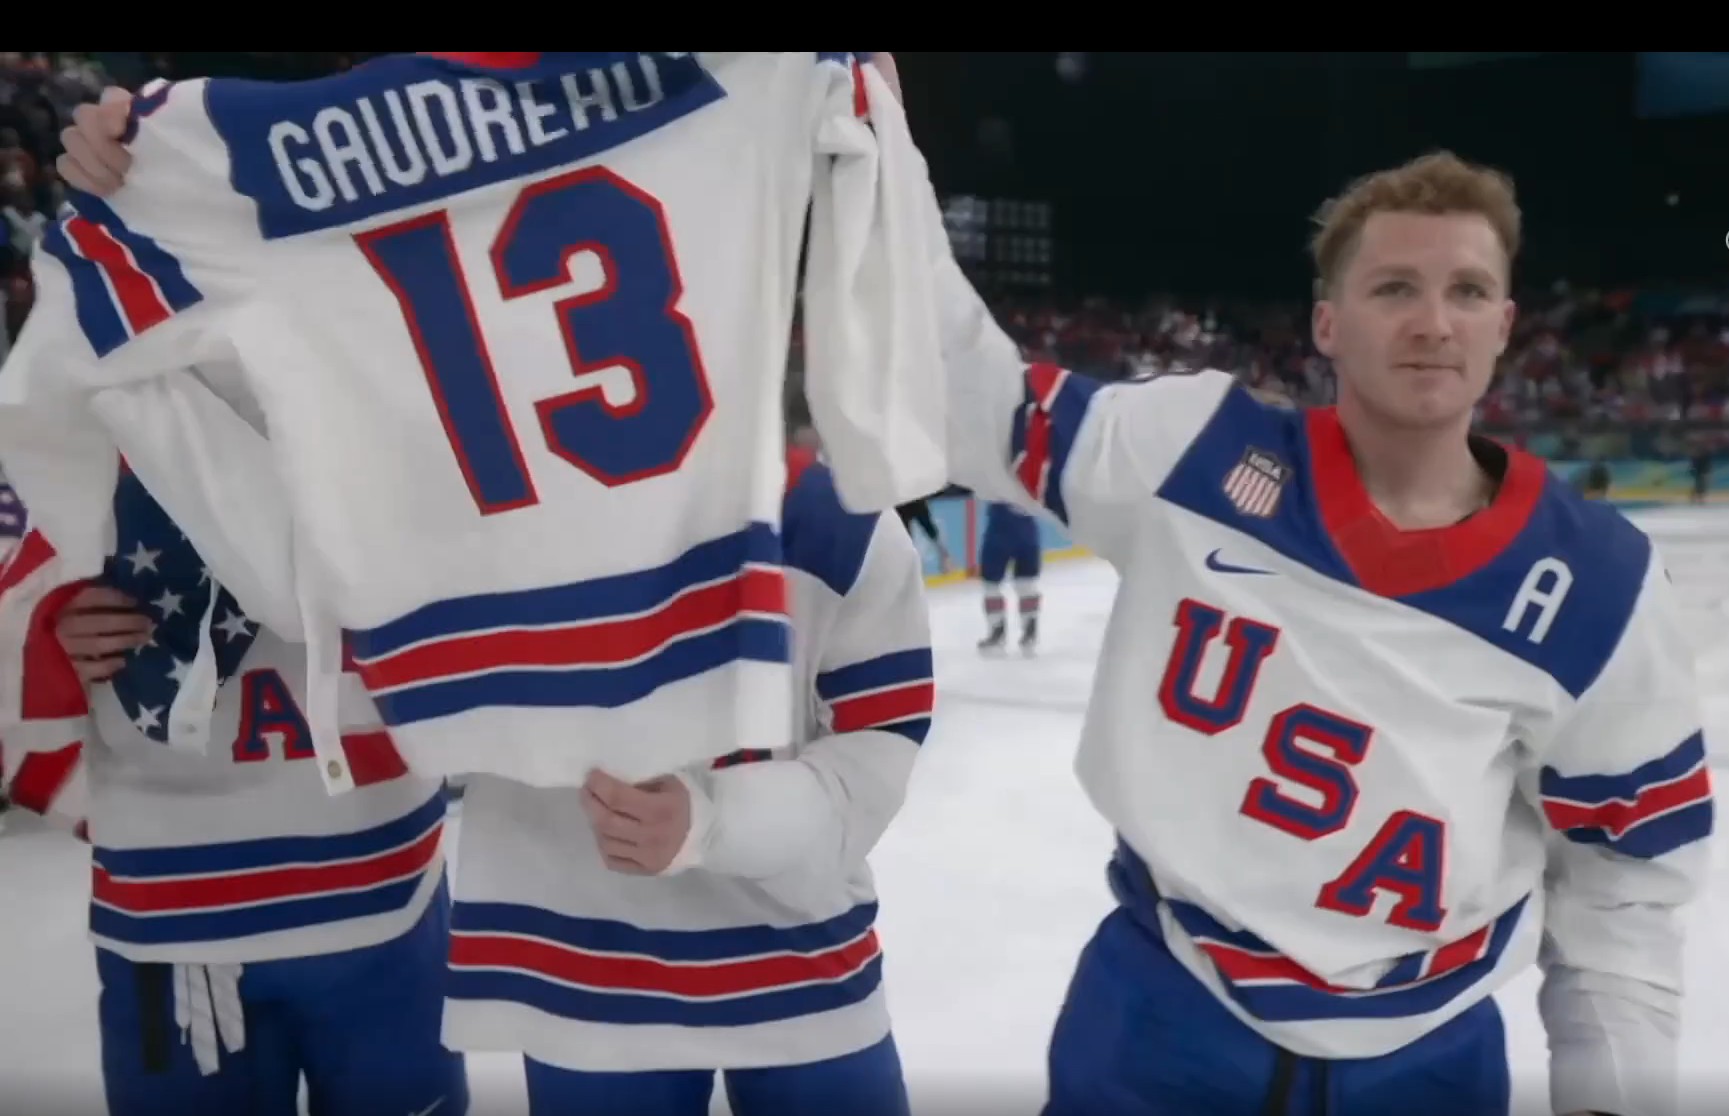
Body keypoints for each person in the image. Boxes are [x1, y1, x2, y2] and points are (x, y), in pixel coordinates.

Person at [874, 55, 1708, 1116]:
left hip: (1428, 1054)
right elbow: (968, 397)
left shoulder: (1600, 588)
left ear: (1504, 324)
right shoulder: (1189, 450)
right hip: (1163, 1012)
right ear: (1326, 323)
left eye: (1466, 290)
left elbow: (1622, 892)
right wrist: (879, 155)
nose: (1432, 321)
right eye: (1393, 288)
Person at [442, 446, 933, 1116]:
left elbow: (874, 753)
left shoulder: (834, 516)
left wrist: (717, 821)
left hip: (790, 960)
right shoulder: (481, 515)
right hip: (584, 968)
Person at [1, 458, 466, 1116]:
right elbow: (24, 566)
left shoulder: (378, 406)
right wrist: (39, 631)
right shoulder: (77, 418)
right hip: (173, 900)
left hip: (383, 877)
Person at [975, 500, 1041, 653]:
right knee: (1025, 583)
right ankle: (1029, 627)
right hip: (1026, 529)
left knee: (992, 584)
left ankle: (998, 629)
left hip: (999, 531)